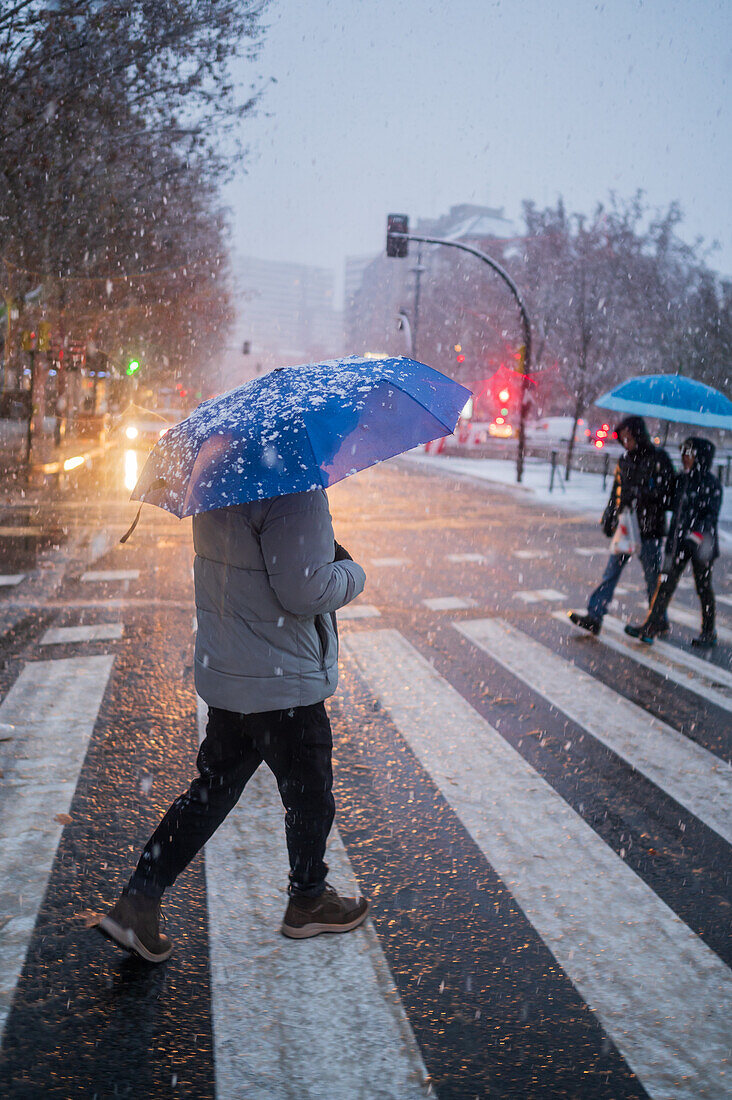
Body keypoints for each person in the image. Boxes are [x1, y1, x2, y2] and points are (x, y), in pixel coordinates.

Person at [98, 489, 370, 963]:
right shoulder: (293, 489)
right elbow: (305, 591)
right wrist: (350, 569)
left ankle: (139, 899)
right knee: (309, 795)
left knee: (210, 793)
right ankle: (308, 899)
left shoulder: (220, 480)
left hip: (234, 673)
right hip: (284, 679)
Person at [568, 416, 675, 636]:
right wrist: (610, 515)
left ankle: (659, 619)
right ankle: (595, 616)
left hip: (649, 527)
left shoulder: (659, 458)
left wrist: (645, 495)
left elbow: (669, 495)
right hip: (626, 525)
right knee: (611, 573)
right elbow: (616, 491)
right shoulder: (624, 459)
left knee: (651, 576)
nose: (625, 443)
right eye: (622, 439)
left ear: (638, 435)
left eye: (629, 438)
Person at [625, 436, 722, 647]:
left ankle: (709, 631)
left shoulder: (711, 484)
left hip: (701, 547)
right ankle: (651, 625)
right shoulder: (681, 480)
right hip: (676, 543)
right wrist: (654, 483)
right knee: (665, 584)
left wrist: (694, 534)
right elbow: (667, 502)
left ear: (699, 457)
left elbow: (710, 517)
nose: (684, 457)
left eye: (688, 453)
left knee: (703, 587)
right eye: (683, 453)